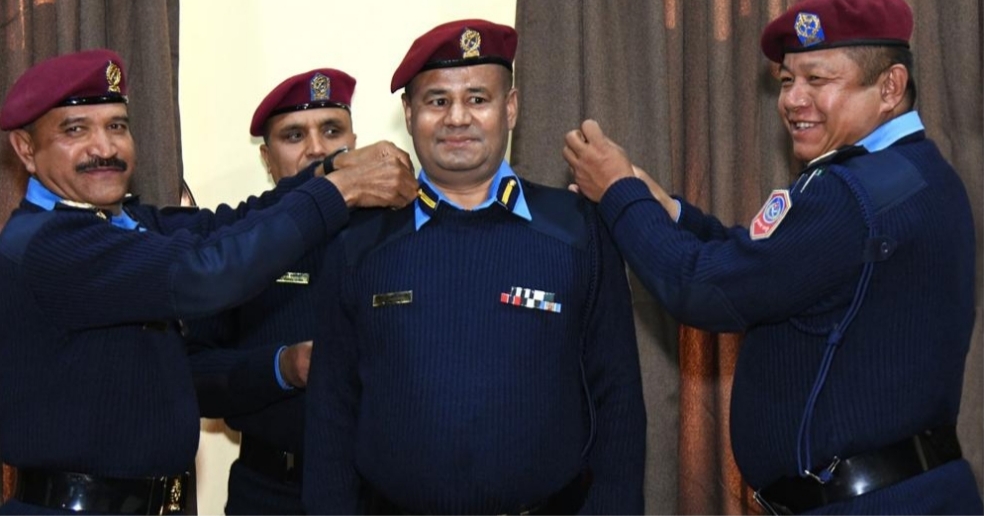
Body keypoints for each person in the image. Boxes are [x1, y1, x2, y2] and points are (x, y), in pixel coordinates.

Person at [563, 0, 983, 513]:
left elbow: (704, 289)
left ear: (890, 87)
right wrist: (665, 210)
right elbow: (762, 261)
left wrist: (617, 193)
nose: (793, 100)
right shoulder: (917, 171)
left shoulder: (849, 195)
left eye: (818, 79)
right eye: (787, 81)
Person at [0, 49, 417, 515]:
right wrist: (341, 190)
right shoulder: (51, 244)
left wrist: (326, 172)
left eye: (116, 125)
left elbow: (225, 225)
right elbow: (205, 272)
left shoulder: (127, 224)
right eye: (76, 130)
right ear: (26, 149)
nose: (105, 148)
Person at [302, 19, 647, 515]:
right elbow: (330, 411)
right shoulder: (357, 242)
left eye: (478, 99)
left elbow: (618, 398)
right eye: (437, 101)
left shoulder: (578, 230)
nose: (457, 118)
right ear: (409, 113)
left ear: (511, 108)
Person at [185, 67, 360, 515]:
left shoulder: (394, 237)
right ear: (266, 158)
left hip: (374, 495)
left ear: (354, 142)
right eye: (294, 135)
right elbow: (192, 378)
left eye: (332, 131)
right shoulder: (241, 249)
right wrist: (282, 367)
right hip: (267, 493)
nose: (317, 149)